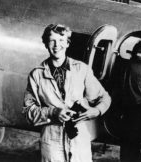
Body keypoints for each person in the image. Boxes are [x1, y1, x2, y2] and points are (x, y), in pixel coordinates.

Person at [22, 24, 111, 162]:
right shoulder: (36, 75)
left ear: (68, 43)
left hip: (79, 136)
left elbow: (104, 98)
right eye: (52, 41)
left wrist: (97, 110)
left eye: (61, 40)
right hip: (51, 140)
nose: (57, 45)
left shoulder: (82, 69)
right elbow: (28, 112)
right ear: (46, 44)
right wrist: (53, 112)